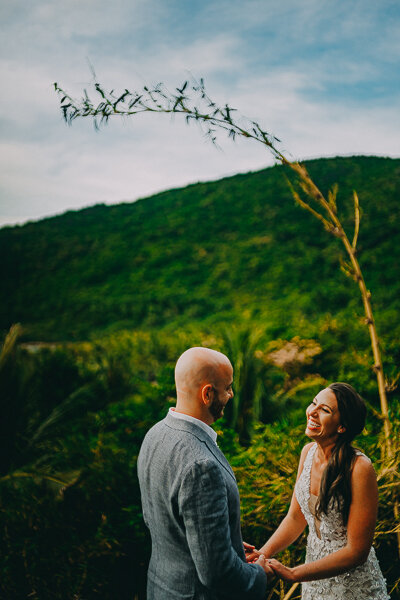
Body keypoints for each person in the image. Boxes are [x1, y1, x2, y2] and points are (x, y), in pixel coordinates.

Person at [137, 347, 272, 599]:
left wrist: (222, 540)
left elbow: (158, 519)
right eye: (228, 387)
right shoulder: (201, 466)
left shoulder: (155, 435)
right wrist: (260, 574)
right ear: (207, 394)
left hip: (161, 589)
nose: (231, 394)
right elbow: (216, 573)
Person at [246, 382, 389, 599]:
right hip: (314, 584)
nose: (312, 411)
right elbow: (296, 518)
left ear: (342, 426)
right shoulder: (308, 453)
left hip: (353, 587)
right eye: (314, 403)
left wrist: (294, 574)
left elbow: (357, 552)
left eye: (325, 410)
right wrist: (262, 554)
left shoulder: (360, 468)